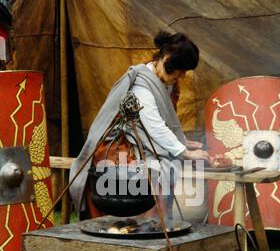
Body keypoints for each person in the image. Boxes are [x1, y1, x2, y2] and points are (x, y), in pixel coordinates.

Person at [69, 31, 209, 218]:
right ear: (167, 59)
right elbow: (155, 126)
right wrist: (185, 152)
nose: (182, 76)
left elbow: (168, 120)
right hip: (121, 143)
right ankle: (129, 227)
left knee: (165, 167)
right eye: (180, 71)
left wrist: (182, 141)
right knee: (145, 177)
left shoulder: (168, 82)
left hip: (147, 142)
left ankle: (155, 229)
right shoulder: (141, 84)